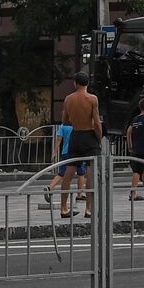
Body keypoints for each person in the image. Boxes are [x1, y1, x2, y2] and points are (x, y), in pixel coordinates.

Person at [61, 71, 103, 220]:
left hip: (75, 135)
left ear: (75, 83)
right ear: (87, 84)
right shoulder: (92, 99)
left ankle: (64, 207)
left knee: (69, 172)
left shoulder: (68, 99)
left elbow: (65, 120)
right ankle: (89, 209)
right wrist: (98, 138)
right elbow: (97, 122)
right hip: (89, 135)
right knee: (90, 173)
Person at [46, 116, 85, 209]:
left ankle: (50, 187)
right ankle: (79, 194)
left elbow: (59, 140)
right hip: (77, 151)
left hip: (65, 152)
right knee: (81, 172)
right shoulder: (78, 125)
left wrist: (54, 153)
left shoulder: (63, 126)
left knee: (62, 172)